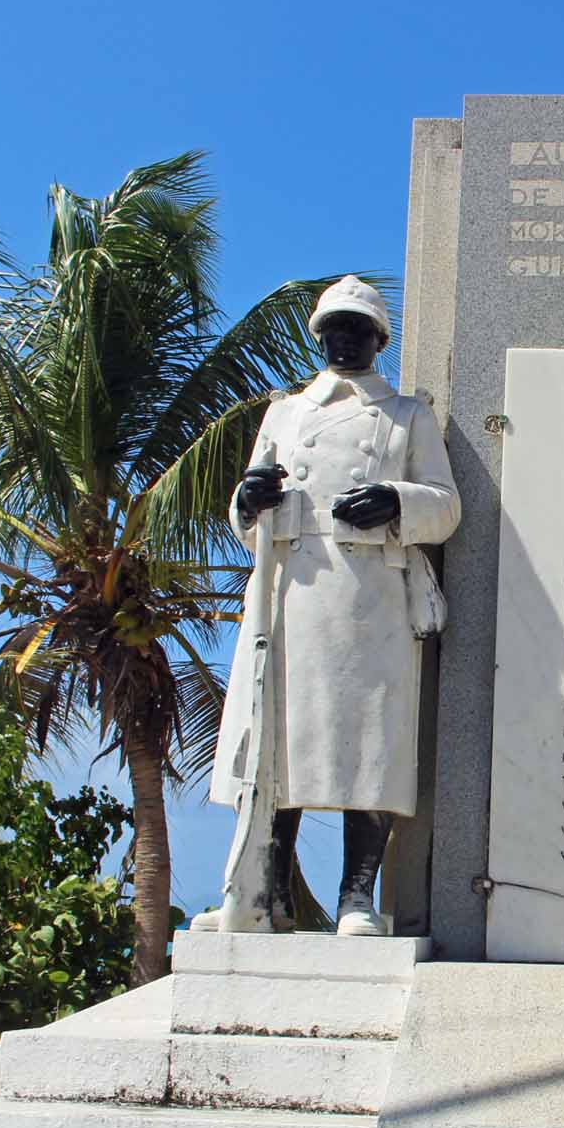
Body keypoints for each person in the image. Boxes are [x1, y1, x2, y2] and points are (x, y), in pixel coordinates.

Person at [203, 275, 459, 936]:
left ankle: (356, 897)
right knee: (278, 743)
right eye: (333, 329)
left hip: (367, 595)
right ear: (319, 337)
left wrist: (397, 502)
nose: (344, 340)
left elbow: (446, 505)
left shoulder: (407, 415)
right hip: (289, 591)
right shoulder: (284, 413)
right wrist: (247, 500)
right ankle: (265, 893)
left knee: (366, 747)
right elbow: (244, 512)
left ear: (379, 339)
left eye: (357, 329)